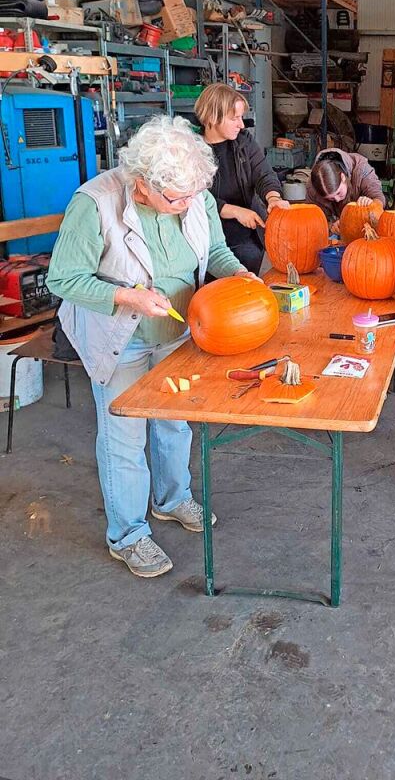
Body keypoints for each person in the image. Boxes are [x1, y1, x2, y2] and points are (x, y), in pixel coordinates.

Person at [46, 116, 259, 579]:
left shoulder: (195, 197)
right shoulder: (96, 203)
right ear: (142, 185)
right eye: (176, 199)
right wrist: (128, 296)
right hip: (120, 339)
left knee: (175, 425)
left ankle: (173, 498)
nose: (188, 206)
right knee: (124, 438)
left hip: (179, 334)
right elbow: (62, 279)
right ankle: (128, 535)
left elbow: (216, 253)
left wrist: (242, 278)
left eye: (193, 197)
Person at [194, 83, 289, 273]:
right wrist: (234, 211)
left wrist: (273, 198)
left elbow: (264, 174)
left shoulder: (244, 141)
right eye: (234, 118)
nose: (241, 124)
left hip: (245, 237)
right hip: (204, 238)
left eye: (241, 117)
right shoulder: (189, 148)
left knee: (248, 273)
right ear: (213, 117)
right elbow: (194, 198)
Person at [306, 148, 385, 230]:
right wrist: (330, 225)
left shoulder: (361, 170)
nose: (336, 199)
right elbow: (314, 219)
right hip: (337, 231)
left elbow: (379, 197)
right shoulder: (312, 188)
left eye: (338, 193)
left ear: (343, 177)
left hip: (365, 228)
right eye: (330, 198)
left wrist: (372, 203)